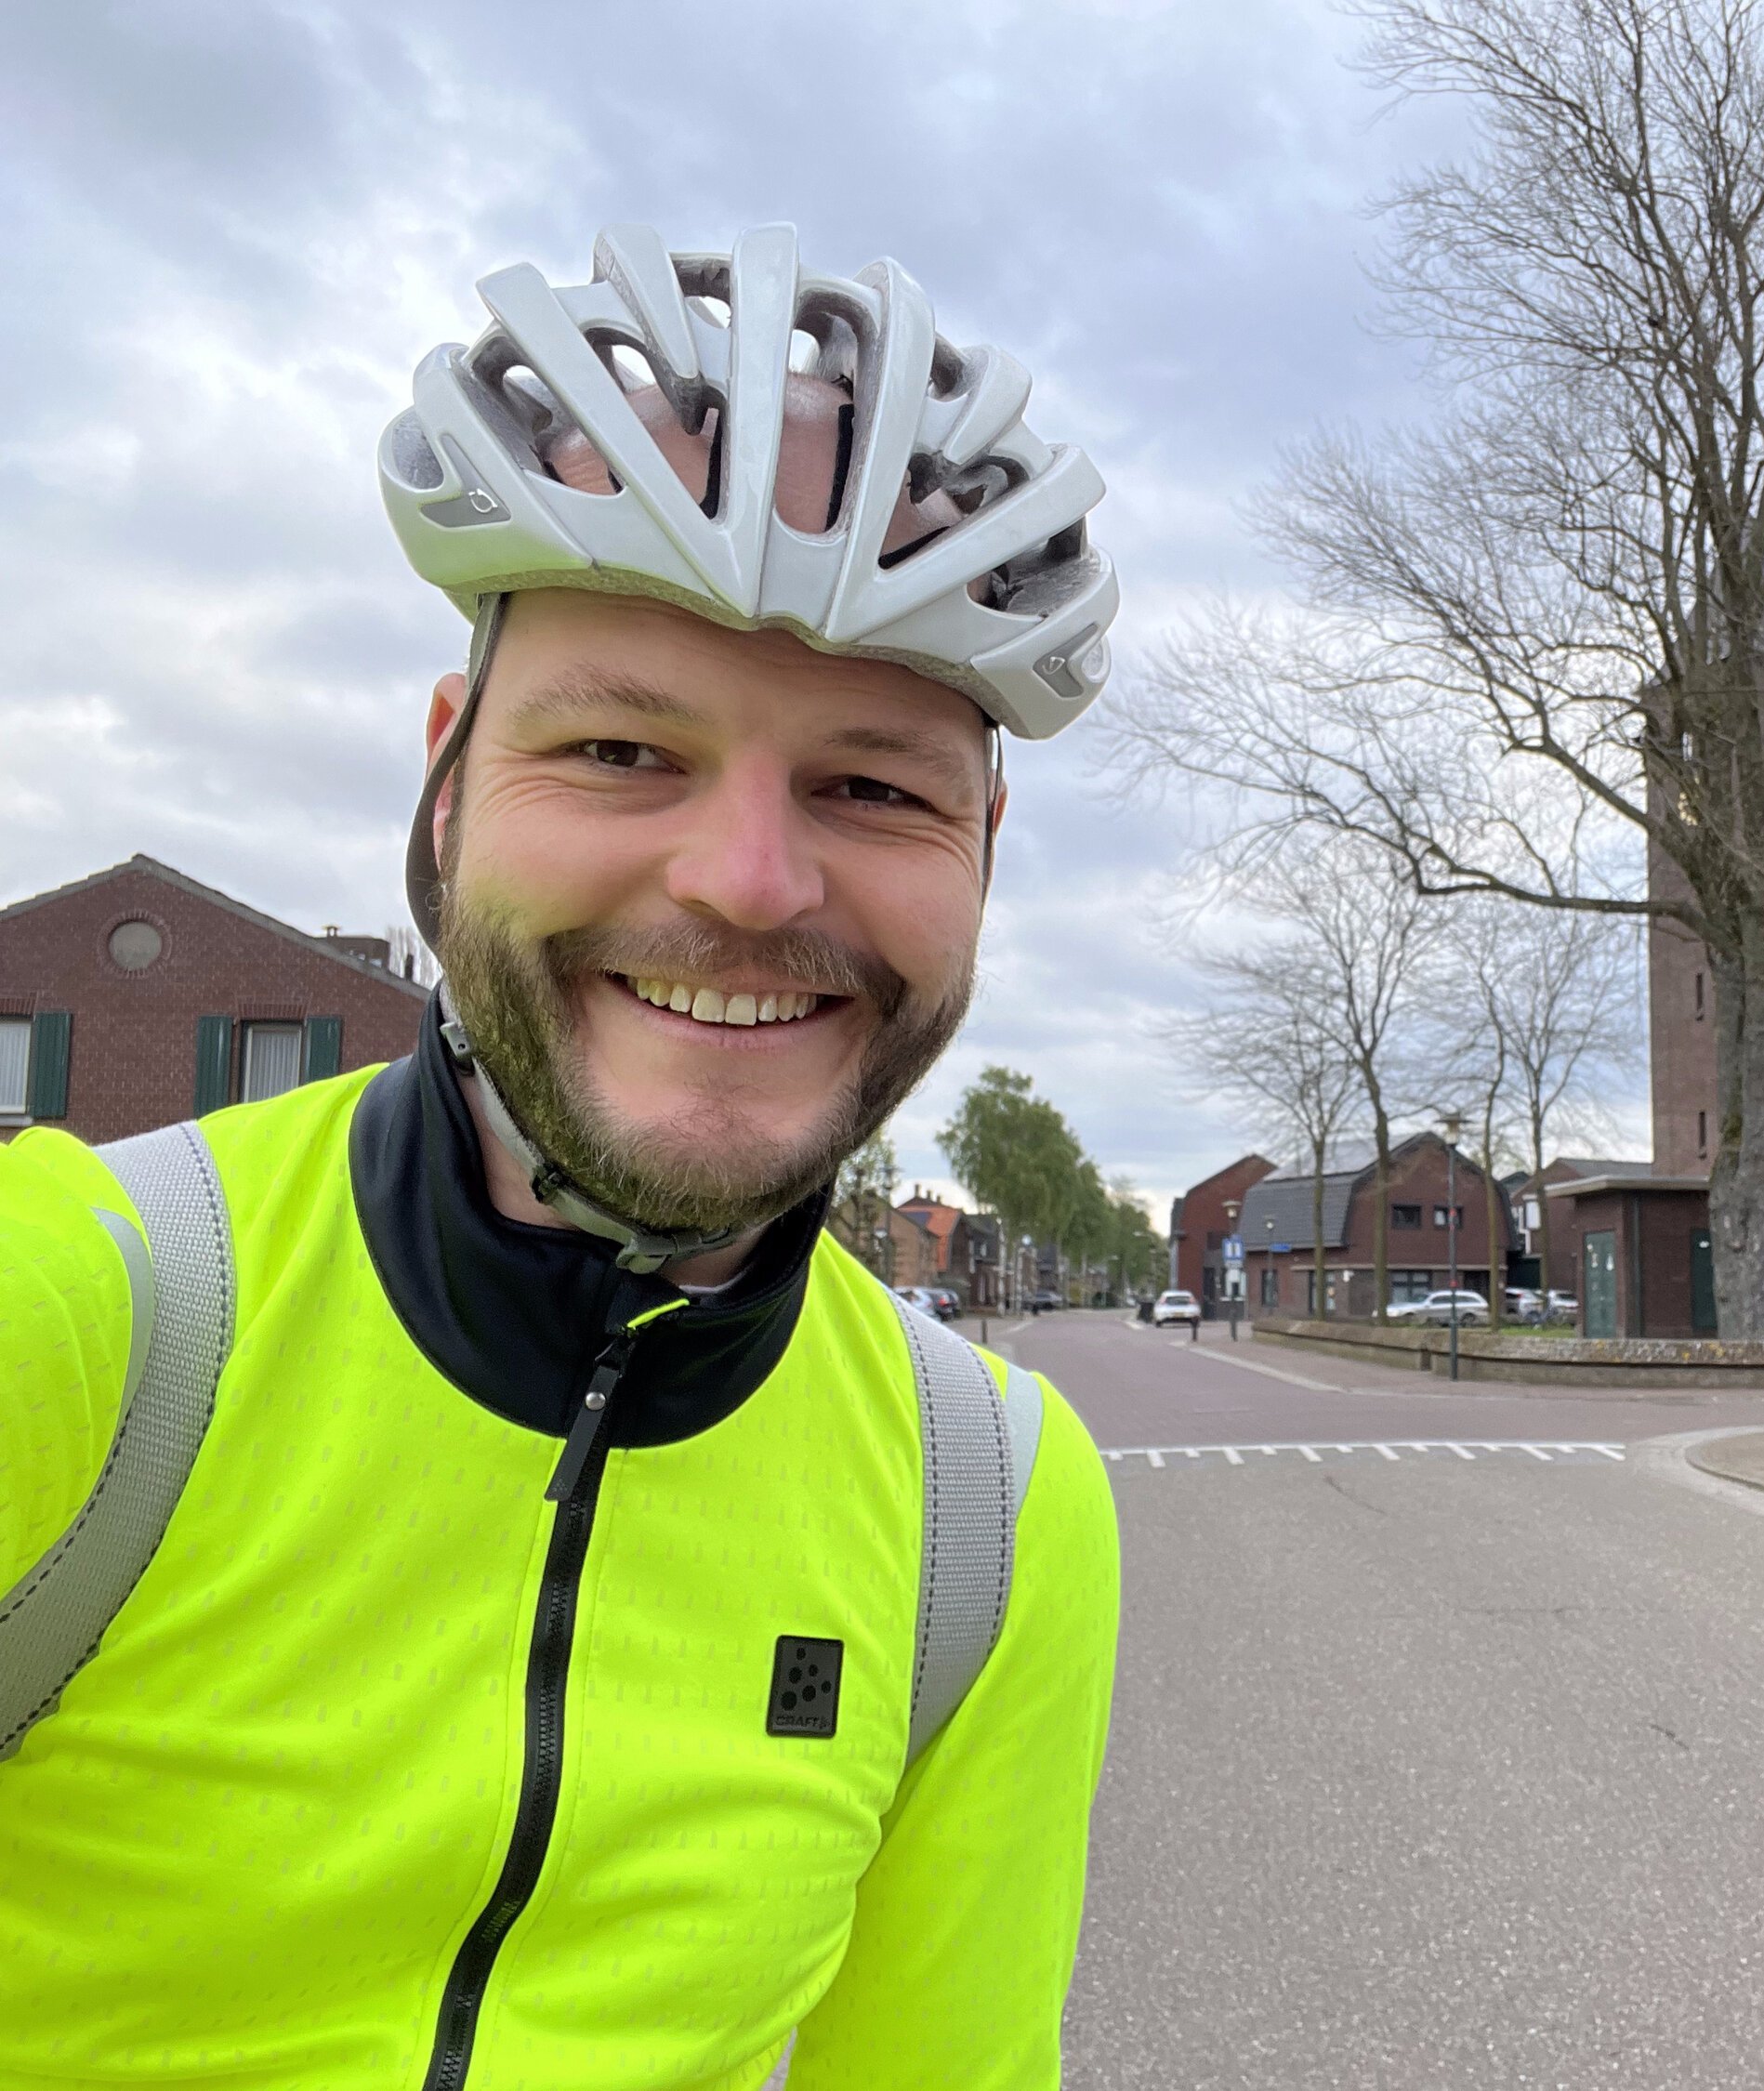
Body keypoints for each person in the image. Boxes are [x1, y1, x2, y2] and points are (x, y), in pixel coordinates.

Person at [0, 225, 1121, 2088]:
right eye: (617, 750)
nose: (746, 883)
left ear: (984, 850)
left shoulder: (988, 1514)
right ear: (447, 780)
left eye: (871, 786)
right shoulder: (69, 1318)